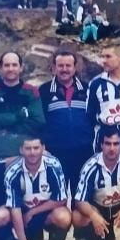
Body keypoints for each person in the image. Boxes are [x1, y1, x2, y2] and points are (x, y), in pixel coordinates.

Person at [0, 136, 71, 240]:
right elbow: (14, 208)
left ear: (43, 148)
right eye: (28, 148)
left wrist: (33, 212)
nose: (32, 152)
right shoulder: (13, 171)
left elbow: (61, 199)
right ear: (21, 150)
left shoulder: (53, 165)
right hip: (21, 213)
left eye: (36, 148)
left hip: (46, 212)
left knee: (63, 216)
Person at [39, 51, 93, 201]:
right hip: (55, 153)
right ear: (54, 68)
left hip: (83, 152)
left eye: (68, 65)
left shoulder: (88, 89)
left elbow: (95, 118)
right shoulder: (44, 91)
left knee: (82, 199)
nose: (64, 69)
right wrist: (42, 144)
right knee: (56, 200)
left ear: (75, 68)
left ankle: (81, 225)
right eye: (60, 65)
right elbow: (39, 121)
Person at [0, 52, 45, 158]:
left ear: (21, 68)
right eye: (6, 65)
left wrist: (6, 129)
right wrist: (18, 117)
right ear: (0, 68)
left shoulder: (31, 91)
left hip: (27, 150)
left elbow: (39, 121)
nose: (10, 69)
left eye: (14, 65)